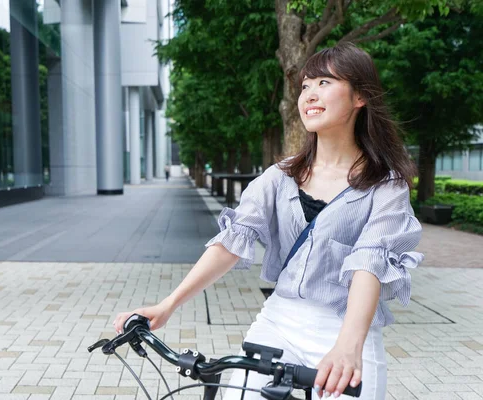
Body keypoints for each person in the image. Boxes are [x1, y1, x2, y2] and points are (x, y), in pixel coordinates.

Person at [114, 43, 423, 400]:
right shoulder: (280, 176)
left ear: (360, 97)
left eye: (324, 82)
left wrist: (348, 346)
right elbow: (230, 243)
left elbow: (369, 265)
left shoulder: (386, 186)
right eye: (305, 86)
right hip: (279, 321)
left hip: (346, 329)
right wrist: (167, 304)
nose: (309, 94)